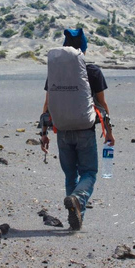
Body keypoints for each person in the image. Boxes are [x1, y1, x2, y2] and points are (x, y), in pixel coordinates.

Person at [40, 28, 115, 231]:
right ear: (83, 47)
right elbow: (102, 105)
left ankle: (76, 216)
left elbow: (47, 105)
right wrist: (109, 131)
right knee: (89, 172)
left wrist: (43, 133)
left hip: (62, 130)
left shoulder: (55, 73)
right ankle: (77, 199)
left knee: (70, 175)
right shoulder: (93, 71)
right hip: (85, 129)